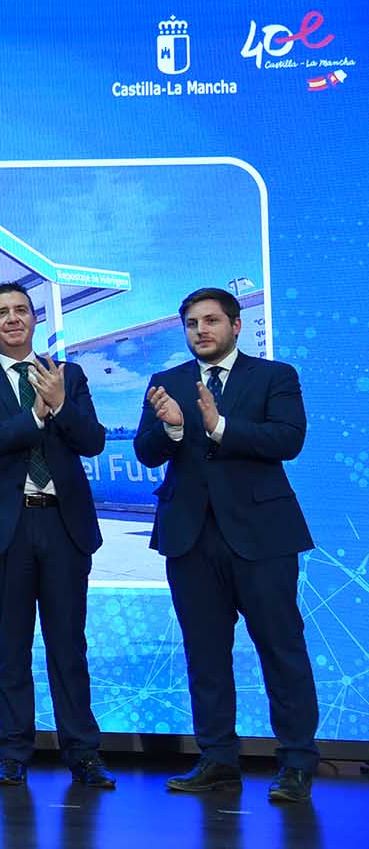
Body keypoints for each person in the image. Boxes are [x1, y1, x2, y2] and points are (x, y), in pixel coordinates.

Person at [135, 287, 319, 803]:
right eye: (192, 323)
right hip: (189, 538)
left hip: (262, 537)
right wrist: (172, 430)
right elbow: (146, 452)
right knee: (205, 654)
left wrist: (218, 426)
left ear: (236, 325)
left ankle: (297, 762)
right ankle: (217, 759)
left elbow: (288, 439)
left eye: (211, 321)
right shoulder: (166, 382)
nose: (201, 331)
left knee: (281, 649)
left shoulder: (275, 376)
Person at [0, 282, 113, 788]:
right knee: (11, 644)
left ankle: (83, 753)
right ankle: (13, 751)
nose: (13, 318)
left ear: (35, 319)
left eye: (21, 310)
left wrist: (61, 405)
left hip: (63, 525)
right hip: (5, 528)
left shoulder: (69, 376)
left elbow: (93, 441)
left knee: (69, 644)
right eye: (1, 313)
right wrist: (36, 416)